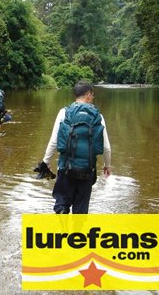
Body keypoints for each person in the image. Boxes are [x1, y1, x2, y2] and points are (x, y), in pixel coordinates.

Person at [40, 80, 111, 214]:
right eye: (93, 95)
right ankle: (77, 233)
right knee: (81, 211)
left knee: (62, 204)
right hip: (87, 170)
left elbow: (54, 141)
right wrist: (108, 165)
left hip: (65, 168)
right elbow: (106, 147)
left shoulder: (64, 112)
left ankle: (62, 230)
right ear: (89, 95)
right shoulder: (98, 116)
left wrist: (46, 161)